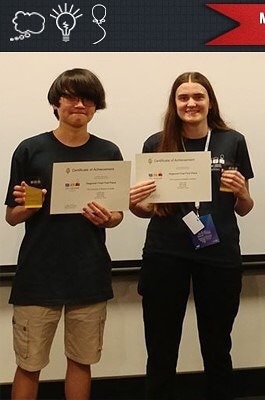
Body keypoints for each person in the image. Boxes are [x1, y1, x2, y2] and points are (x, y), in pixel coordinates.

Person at [130, 71, 254, 400]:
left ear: (210, 102)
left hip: (218, 254)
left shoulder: (232, 141)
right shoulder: (156, 144)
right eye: (183, 97)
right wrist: (135, 203)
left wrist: (243, 193)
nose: (191, 103)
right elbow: (144, 210)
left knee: (217, 346)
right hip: (165, 253)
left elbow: (244, 208)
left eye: (198, 96)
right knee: (161, 347)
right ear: (174, 104)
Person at [5, 68, 124, 400]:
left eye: (88, 99)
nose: (80, 104)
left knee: (82, 361)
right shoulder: (31, 150)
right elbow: (12, 217)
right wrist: (33, 205)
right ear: (56, 103)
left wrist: (108, 218)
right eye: (71, 97)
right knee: (29, 364)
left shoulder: (108, 152)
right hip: (37, 275)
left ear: (96, 105)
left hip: (88, 272)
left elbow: (117, 215)